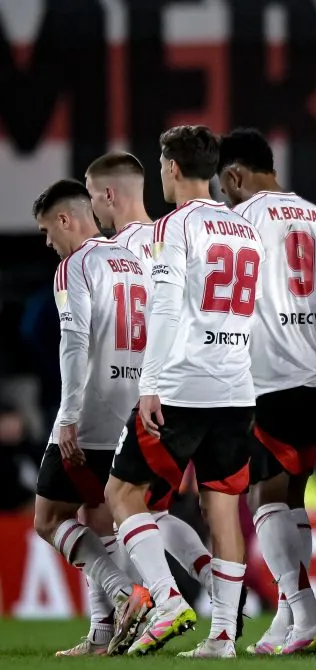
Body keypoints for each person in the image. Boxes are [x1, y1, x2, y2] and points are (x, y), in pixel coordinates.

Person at [104, 125, 265, 659]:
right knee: (223, 510)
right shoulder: (245, 227)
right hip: (237, 387)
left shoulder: (175, 226)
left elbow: (167, 307)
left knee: (123, 495)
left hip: (182, 386)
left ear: (171, 168)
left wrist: (149, 385)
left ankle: (168, 600)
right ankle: (223, 636)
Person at [217, 127, 316, 655]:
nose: (224, 196)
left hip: (263, 380)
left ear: (234, 175)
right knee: (292, 498)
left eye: (224, 186)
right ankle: (286, 617)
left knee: (265, 499)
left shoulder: (238, 224)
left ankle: (307, 612)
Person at [86, 151, 218, 600]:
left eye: (90, 197)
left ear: (108, 194)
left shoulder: (107, 254)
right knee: (143, 507)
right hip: (179, 399)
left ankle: (144, 607)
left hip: (129, 401)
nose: (90, 209)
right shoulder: (169, 238)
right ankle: (210, 586)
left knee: (110, 506)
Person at [31, 179, 153, 657]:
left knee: (49, 519)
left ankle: (125, 593)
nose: (47, 242)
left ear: (65, 220)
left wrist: (67, 416)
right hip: (133, 407)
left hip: (91, 412)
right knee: (97, 516)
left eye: (47, 230)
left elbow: (74, 343)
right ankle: (103, 633)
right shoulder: (134, 260)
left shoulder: (74, 266)